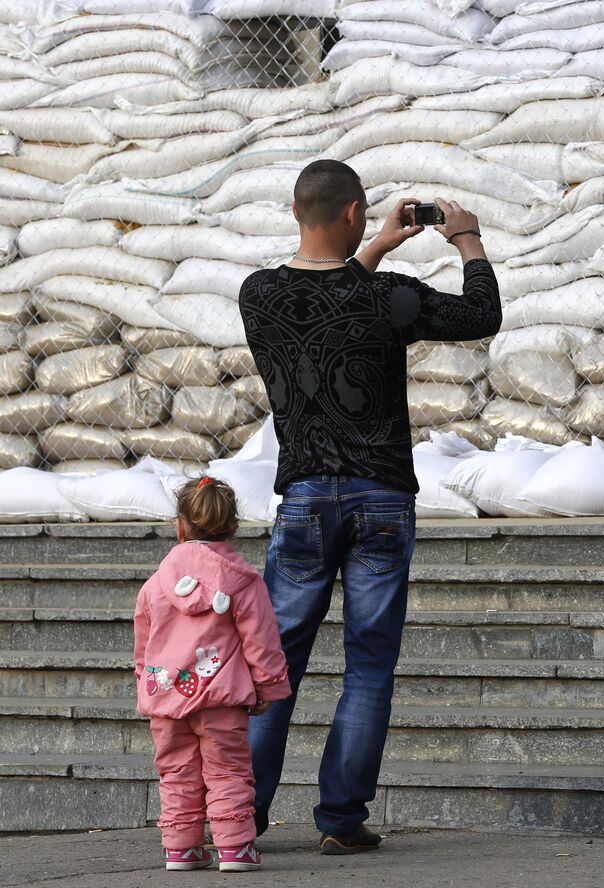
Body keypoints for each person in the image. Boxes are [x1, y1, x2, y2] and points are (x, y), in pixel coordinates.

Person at [238, 160, 502, 854]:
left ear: (298, 211)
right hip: (381, 497)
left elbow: (322, 296)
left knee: (273, 667)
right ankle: (342, 819)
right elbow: (482, 314)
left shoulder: (258, 294)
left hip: (301, 501)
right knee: (369, 664)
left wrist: (376, 245)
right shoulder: (389, 298)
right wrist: (467, 240)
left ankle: (243, 815)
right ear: (355, 211)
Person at [133, 475, 291, 874]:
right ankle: (236, 849)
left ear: (180, 525)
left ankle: (182, 849)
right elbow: (262, 639)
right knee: (228, 771)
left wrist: (146, 687)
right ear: (232, 526)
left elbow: (143, 644)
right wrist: (269, 686)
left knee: (177, 773)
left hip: (166, 696)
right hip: (220, 698)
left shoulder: (156, 584)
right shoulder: (244, 582)